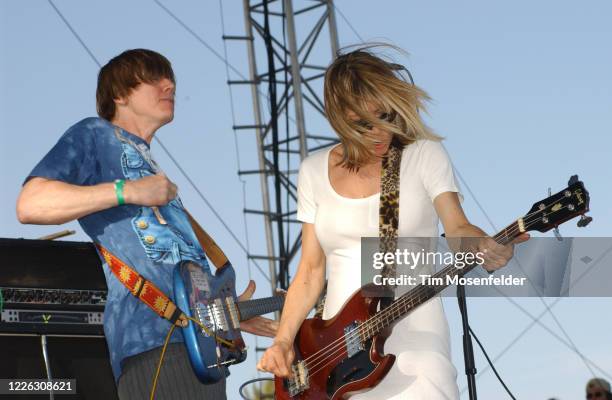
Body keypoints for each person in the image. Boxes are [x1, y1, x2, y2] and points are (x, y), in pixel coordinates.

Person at [256, 46, 529, 399]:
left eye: (384, 115)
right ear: (339, 119)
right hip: (335, 360)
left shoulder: (423, 154)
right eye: (362, 123)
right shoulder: (313, 171)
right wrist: (282, 342)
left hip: (417, 344)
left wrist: (485, 246)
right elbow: (310, 270)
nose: (378, 132)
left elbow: (458, 229)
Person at [16, 49, 277, 399]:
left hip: (201, 348)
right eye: (154, 78)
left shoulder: (151, 164)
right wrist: (127, 190)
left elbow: (169, 268)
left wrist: (219, 310)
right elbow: (31, 203)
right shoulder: (94, 134)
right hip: (153, 345)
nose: (169, 84)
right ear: (120, 95)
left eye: (169, 77)